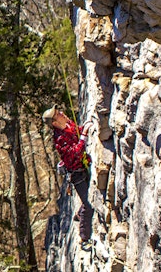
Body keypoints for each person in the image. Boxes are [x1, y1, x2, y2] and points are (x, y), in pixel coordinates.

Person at [43, 106, 93, 249]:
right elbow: (75, 153)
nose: (62, 113)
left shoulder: (69, 125)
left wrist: (84, 128)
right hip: (77, 174)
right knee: (88, 205)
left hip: (83, 167)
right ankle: (84, 238)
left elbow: (78, 131)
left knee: (86, 200)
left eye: (59, 111)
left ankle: (79, 215)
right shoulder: (60, 140)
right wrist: (84, 135)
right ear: (54, 123)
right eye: (58, 114)